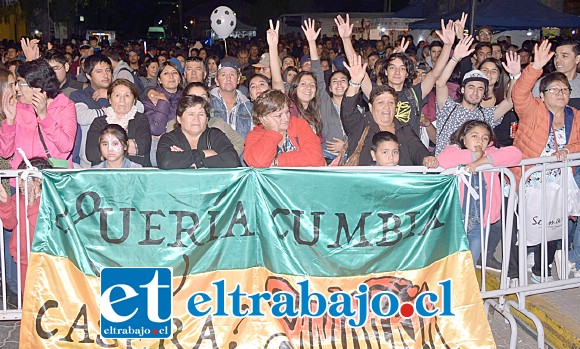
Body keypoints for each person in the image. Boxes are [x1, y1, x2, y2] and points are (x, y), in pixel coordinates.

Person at [512, 40, 580, 283]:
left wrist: (569, 150)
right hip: (530, 180)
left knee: (553, 225)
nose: (561, 94)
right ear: (542, 95)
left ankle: (542, 270)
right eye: (555, 90)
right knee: (527, 226)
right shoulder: (534, 110)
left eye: (565, 90)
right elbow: (518, 93)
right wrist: (535, 67)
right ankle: (516, 271)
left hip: (558, 183)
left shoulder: (575, 116)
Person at [437, 120, 522, 265]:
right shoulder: (454, 150)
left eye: (484, 138)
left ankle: (467, 285)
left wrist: (483, 160)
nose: (479, 141)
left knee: (471, 259)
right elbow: (443, 160)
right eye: (474, 136)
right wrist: (473, 157)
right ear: (464, 137)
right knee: (451, 259)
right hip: (456, 220)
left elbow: (516, 154)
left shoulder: (491, 152)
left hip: (480, 221)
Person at [341, 55, 438, 167]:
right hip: (365, 183)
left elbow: (416, 147)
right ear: (371, 107)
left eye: (391, 103)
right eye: (381, 103)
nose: (386, 107)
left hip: (399, 182)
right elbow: (348, 109)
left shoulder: (403, 127)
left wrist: (426, 158)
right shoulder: (360, 124)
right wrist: (355, 83)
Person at [434, 36, 518, 155]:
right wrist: (455, 58)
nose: (475, 92)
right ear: (462, 90)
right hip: (446, 169)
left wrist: (514, 76)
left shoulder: (486, 114)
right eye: (471, 87)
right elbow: (440, 84)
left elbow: (509, 102)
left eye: (480, 89)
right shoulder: (448, 108)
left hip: (474, 169)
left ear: (484, 93)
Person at [0, 59, 77, 170]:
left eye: (21, 83)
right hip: (21, 178)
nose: (16, 89)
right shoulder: (17, 106)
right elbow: (5, 153)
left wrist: (44, 116)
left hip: (52, 177)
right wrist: (10, 121)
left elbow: (66, 146)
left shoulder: (64, 106)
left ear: (37, 86)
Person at [0, 157, 51, 293]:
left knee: (45, 297)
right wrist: (5, 203)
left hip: (46, 261)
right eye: (20, 180)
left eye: (24, 180)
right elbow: (10, 224)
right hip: (23, 260)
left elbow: (42, 228)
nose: (20, 185)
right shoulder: (17, 199)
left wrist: (32, 204)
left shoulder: (50, 201)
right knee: (28, 300)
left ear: (39, 180)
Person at [244, 89, 325, 168]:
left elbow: (316, 158)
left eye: (287, 112)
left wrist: (276, 161)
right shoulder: (254, 135)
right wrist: (272, 132)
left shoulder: (299, 124)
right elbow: (257, 163)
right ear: (263, 118)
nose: (286, 118)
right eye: (278, 115)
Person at [156, 95, 240, 169]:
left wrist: (195, 162)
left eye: (201, 114)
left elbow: (232, 160)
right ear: (179, 119)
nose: (196, 119)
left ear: (207, 120)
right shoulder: (170, 138)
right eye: (191, 114)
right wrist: (204, 153)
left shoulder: (214, 135)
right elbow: (165, 162)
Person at [86, 79, 151, 167]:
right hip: (104, 173)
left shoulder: (141, 119)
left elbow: (143, 147)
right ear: (109, 100)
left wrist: (106, 149)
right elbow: (92, 153)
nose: (122, 100)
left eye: (127, 95)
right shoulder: (99, 122)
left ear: (134, 100)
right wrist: (129, 147)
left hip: (135, 172)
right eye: (117, 95)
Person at [166, 82, 244, 156]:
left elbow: (240, 142)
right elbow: (172, 152)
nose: (198, 101)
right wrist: (191, 158)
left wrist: (222, 156)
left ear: (209, 100)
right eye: (193, 96)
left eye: (203, 97)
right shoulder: (174, 124)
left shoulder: (218, 123)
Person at [143, 61, 183, 166]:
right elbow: (156, 129)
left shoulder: (186, 98)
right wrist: (163, 101)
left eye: (174, 73)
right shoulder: (150, 99)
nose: (171, 76)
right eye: (166, 73)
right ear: (159, 80)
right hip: (158, 148)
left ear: (179, 78)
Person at [210, 58, 253, 139]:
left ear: (238, 79)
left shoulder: (249, 108)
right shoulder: (207, 104)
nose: (228, 78)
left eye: (232, 74)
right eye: (223, 74)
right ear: (216, 80)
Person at [532, 39, 580, 109]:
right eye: (556, 56)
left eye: (564, 56)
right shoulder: (543, 83)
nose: (557, 60)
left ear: (577, 59)